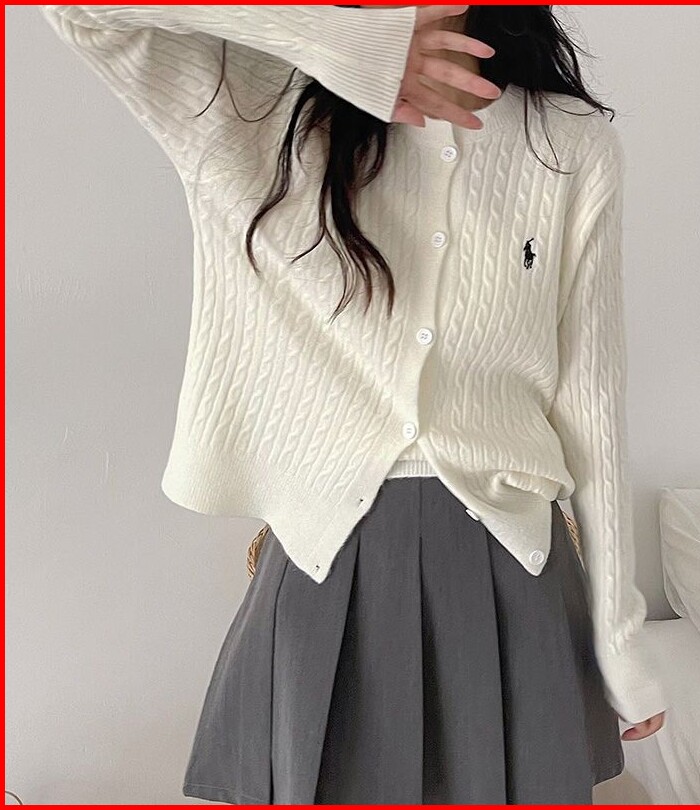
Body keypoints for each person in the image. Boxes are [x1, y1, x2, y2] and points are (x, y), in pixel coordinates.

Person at [40, 4, 668, 805]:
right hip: (325, 561)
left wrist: (619, 637)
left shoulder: (569, 142)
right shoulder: (257, 104)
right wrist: (351, 48)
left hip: (514, 566)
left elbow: (592, 405)